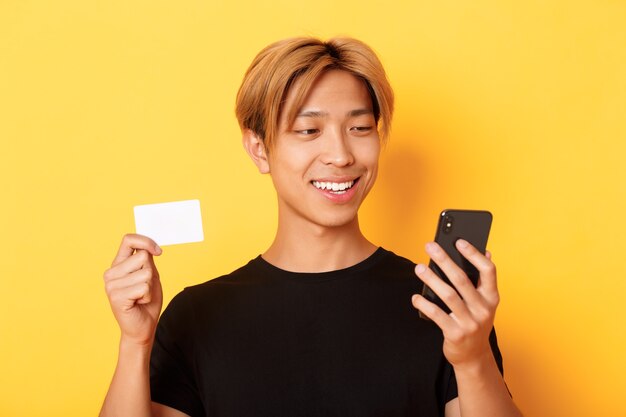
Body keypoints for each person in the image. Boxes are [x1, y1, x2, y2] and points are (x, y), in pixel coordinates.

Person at [100, 37, 522, 417]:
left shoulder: (442, 306)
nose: (340, 155)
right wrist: (135, 345)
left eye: (359, 128)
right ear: (258, 149)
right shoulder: (196, 316)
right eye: (309, 130)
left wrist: (472, 359)